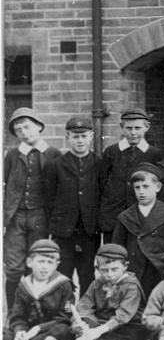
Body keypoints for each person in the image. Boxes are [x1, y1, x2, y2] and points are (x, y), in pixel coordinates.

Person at [3, 107, 62, 307]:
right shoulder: (12, 155)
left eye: (27, 127)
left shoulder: (53, 154)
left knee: (36, 262)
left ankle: (32, 310)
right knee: (13, 267)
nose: (24, 132)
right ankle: (12, 312)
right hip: (16, 217)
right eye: (19, 130)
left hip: (40, 217)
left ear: (38, 126)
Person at [111, 163, 164, 298]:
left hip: (160, 270)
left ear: (157, 187)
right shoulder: (126, 217)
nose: (141, 192)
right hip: (134, 272)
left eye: (146, 186)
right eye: (137, 188)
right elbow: (117, 249)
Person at [44, 116, 101, 295]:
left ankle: (85, 314)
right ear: (67, 137)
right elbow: (48, 199)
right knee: (62, 274)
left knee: (87, 275)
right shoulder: (55, 165)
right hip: (63, 231)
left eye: (84, 136)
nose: (80, 141)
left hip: (89, 230)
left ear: (91, 136)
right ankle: (62, 315)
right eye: (75, 136)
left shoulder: (100, 164)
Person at [68, 244, 147, 340]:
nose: (109, 274)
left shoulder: (131, 286)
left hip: (127, 324)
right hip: (102, 322)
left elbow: (123, 315)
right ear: (97, 268)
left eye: (114, 269)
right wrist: (83, 322)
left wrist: (99, 330)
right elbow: (85, 304)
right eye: (104, 270)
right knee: (80, 331)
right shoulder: (97, 283)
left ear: (125, 266)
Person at [2, 240, 74, 340]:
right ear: (30, 262)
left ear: (57, 265)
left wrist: (38, 329)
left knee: (63, 331)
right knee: (4, 333)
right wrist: (19, 332)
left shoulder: (63, 284)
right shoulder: (24, 285)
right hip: (28, 332)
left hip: (48, 330)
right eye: (41, 261)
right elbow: (18, 316)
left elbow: (65, 318)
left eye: (50, 262)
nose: (45, 267)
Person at [98, 108, 162, 237]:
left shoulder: (154, 154)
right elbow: (102, 182)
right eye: (129, 128)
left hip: (140, 215)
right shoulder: (112, 152)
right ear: (122, 127)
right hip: (113, 215)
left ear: (147, 127)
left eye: (137, 128)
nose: (133, 132)